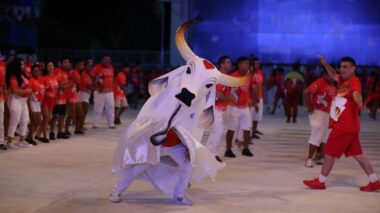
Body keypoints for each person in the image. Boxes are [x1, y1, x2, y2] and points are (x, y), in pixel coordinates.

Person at [303, 56, 380, 191]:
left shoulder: (354, 81)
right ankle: (374, 181)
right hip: (351, 127)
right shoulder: (344, 81)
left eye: (345, 67)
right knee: (359, 155)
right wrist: (325, 63)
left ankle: (321, 181)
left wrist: (359, 102)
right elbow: (333, 74)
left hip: (344, 126)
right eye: (341, 66)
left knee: (329, 153)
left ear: (353, 68)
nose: (341, 69)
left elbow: (356, 93)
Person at [110, 128, 193, 205]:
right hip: (154, 144)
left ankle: (179, 196)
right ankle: (117, 191)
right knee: (137, 169)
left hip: (176, 144)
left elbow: (187, 126)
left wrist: (189, 147)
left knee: (187, 165)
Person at [303, 71, 337, 167]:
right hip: (319, 112)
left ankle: (321, 157)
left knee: (326, 137)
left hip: (329, 114)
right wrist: (309, 106)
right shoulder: (320, 82)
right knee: (316, 135)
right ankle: (309, 159)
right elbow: (306, 92)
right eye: (330, 75)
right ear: (325, 75)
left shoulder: (334, 84)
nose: (333, 77)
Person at [204, 56, 234, 162]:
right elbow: (219, 94)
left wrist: (228, 101)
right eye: (228, 62)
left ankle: (207, 152)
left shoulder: (226, 77)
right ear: (222, 64)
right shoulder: (219, 77)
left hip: (221, 108)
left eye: (230, 62)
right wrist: (230, 99)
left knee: (216, 131)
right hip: (214, 108)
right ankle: (213, 154)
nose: (230, 64)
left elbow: (225, 94)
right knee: (219, 131)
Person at [224, 56, 254, 158]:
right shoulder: (233, 76)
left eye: (248, 64)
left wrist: (249, 99)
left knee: (247, 128)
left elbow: (247, 89)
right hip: (234, 107)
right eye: (246, 64)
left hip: (244, 106)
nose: (248, 66)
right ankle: (228, 149)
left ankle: (245, 148)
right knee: (231, 128)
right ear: (240, 65)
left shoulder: (247, 76)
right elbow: (229, 91)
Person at [6, 58, 32, 149]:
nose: (23, 66)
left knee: (25, 120)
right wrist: (27, 91)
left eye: (23, 64)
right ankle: (9, 142)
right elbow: (15, 90)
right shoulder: (13, 76)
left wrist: (27, 91)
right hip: (15, 100)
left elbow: (29, 87)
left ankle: (21, 140)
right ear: (17, 65)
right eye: (21, 64)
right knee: (14, 120)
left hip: (24, 101)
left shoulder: (23, 75)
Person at [35, 61, 58, 143]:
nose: (50, 67)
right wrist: (46, 88)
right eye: (48, 65)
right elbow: (41, 88)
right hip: (45, 99)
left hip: (52, 99)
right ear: (47, 68)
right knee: (46, 117)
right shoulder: (44, 78)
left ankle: (38, 134)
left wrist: (56, 99)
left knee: (48, 118)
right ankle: (45, 136)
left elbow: (56, 89)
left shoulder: (55, 77)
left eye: (51, 65)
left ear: (54, 67)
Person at [91, 55, 116, 129]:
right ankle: (95, 124)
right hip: (100, 92)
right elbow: (92, 78)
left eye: (108, 60)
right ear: (102, 60)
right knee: (98, 108)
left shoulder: (111, 67)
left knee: (111, 108)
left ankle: (111, 124)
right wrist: (96, 87)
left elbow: (113, 78)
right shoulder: (97, 68)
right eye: (105, 60)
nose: (107, 61)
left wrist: (112, 87)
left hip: (109, 92)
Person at [26, 65, 45, 145]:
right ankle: (29, 137)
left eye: (38, 71)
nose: (37, 72)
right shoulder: (30, 81)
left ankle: (29, 137)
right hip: (32, 102)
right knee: (34, 121)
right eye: (35, 71)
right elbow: (28, 95)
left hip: (38, 103)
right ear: (32, 73)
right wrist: (29, 106)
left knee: (37, 121)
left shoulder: (40, 80)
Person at [249, 57, 265, 139]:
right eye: (255, 64)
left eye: (258, 63)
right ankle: (249, 133)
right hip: (252, 98)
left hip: (260, 96)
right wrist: (253, 98)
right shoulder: (250, 74)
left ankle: (254, 131)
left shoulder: (261, 73)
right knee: (250, 116)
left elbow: (261, 85)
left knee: (257, 116)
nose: (257, 65)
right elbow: (251, 88)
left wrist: (262, 96)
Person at [78, 59, 93, 132]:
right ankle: (79, 126)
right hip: (83, 94)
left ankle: (81, 125)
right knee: (84, 111)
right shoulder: (84, 74)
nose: (90, 68)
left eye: (91, 66)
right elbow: (87, 85)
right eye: (88, 66)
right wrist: (96, 88)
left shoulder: (88, 74)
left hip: (87, 94)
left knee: (84, 111)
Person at [0, 58, 7, 150]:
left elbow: (4, 78)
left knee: (1, 120)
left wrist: (5, 90)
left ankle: (1, 141)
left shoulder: (3, 64)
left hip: (1, 96)